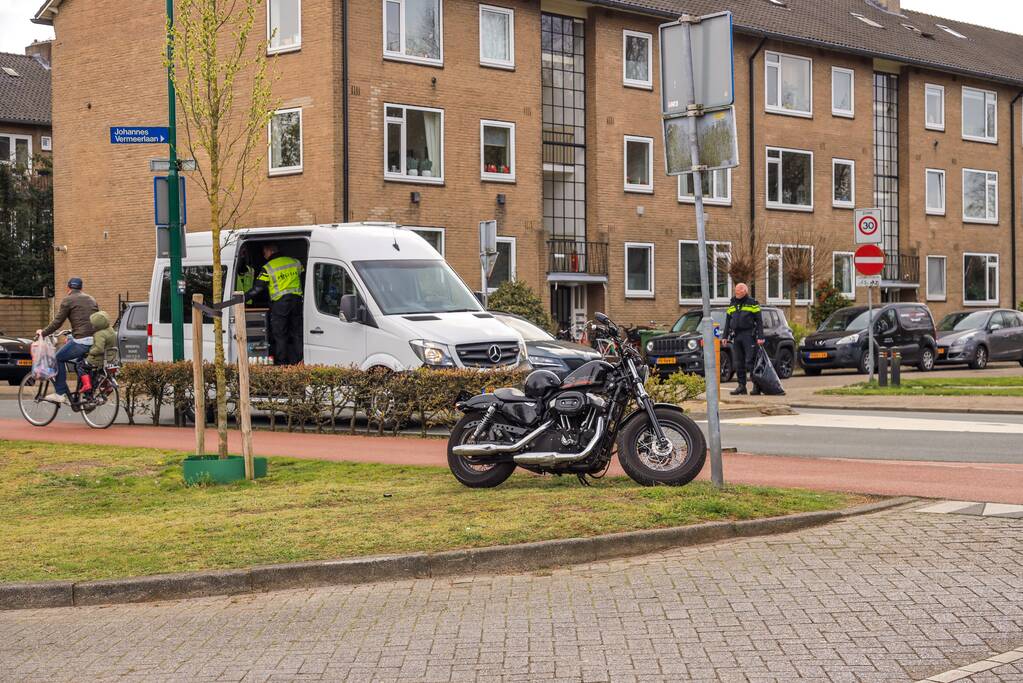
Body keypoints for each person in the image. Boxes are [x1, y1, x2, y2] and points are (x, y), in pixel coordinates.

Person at [37, 277, 99, 403]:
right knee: (80, 365)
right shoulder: (91, 299)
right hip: (96, 339)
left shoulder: (68, 300)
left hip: (82, 340)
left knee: (57, 358)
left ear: (68, 288)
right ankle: (86, 397)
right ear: (81, 288)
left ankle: (60, 393)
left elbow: (57, 322)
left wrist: (43, 333)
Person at [243, 243, 304, 365]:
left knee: (280, 335)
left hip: (280, 305)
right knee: (296, 333)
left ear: (270, 251)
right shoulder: (295, 262)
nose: (264, 255)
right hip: (297, 302)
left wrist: (241, 299)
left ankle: (282, 364)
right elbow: (303, 276)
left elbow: (257, 289)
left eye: (264, 253)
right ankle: (300, 362)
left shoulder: (268, 267)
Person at [722, 282, 764, 396]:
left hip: (749, 335)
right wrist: (725, 336)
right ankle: (741, 386)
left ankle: (757, 386)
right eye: (736, 291)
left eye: (739, 291)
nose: (737, 293)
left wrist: (760, 337)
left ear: (745, 291)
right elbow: (727, 321)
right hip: (737, 335)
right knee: (738, 362)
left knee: (750, 362)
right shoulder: (732, 303)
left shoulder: (752, 303)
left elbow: (759, 321)